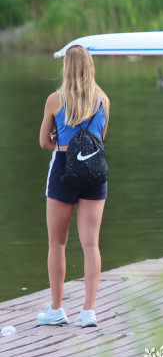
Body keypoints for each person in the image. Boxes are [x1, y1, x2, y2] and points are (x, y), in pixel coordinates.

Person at [36, 45, 110, 327]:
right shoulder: (103, 99)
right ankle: (88, 311)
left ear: (67, 68)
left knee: (57, 242)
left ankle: (57, 309)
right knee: (91, 243)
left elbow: (44, 142)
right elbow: (100, 138)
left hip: (64, 167)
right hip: (94, 170)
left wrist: (58, 135)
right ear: (90, 67)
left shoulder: (55, 100)